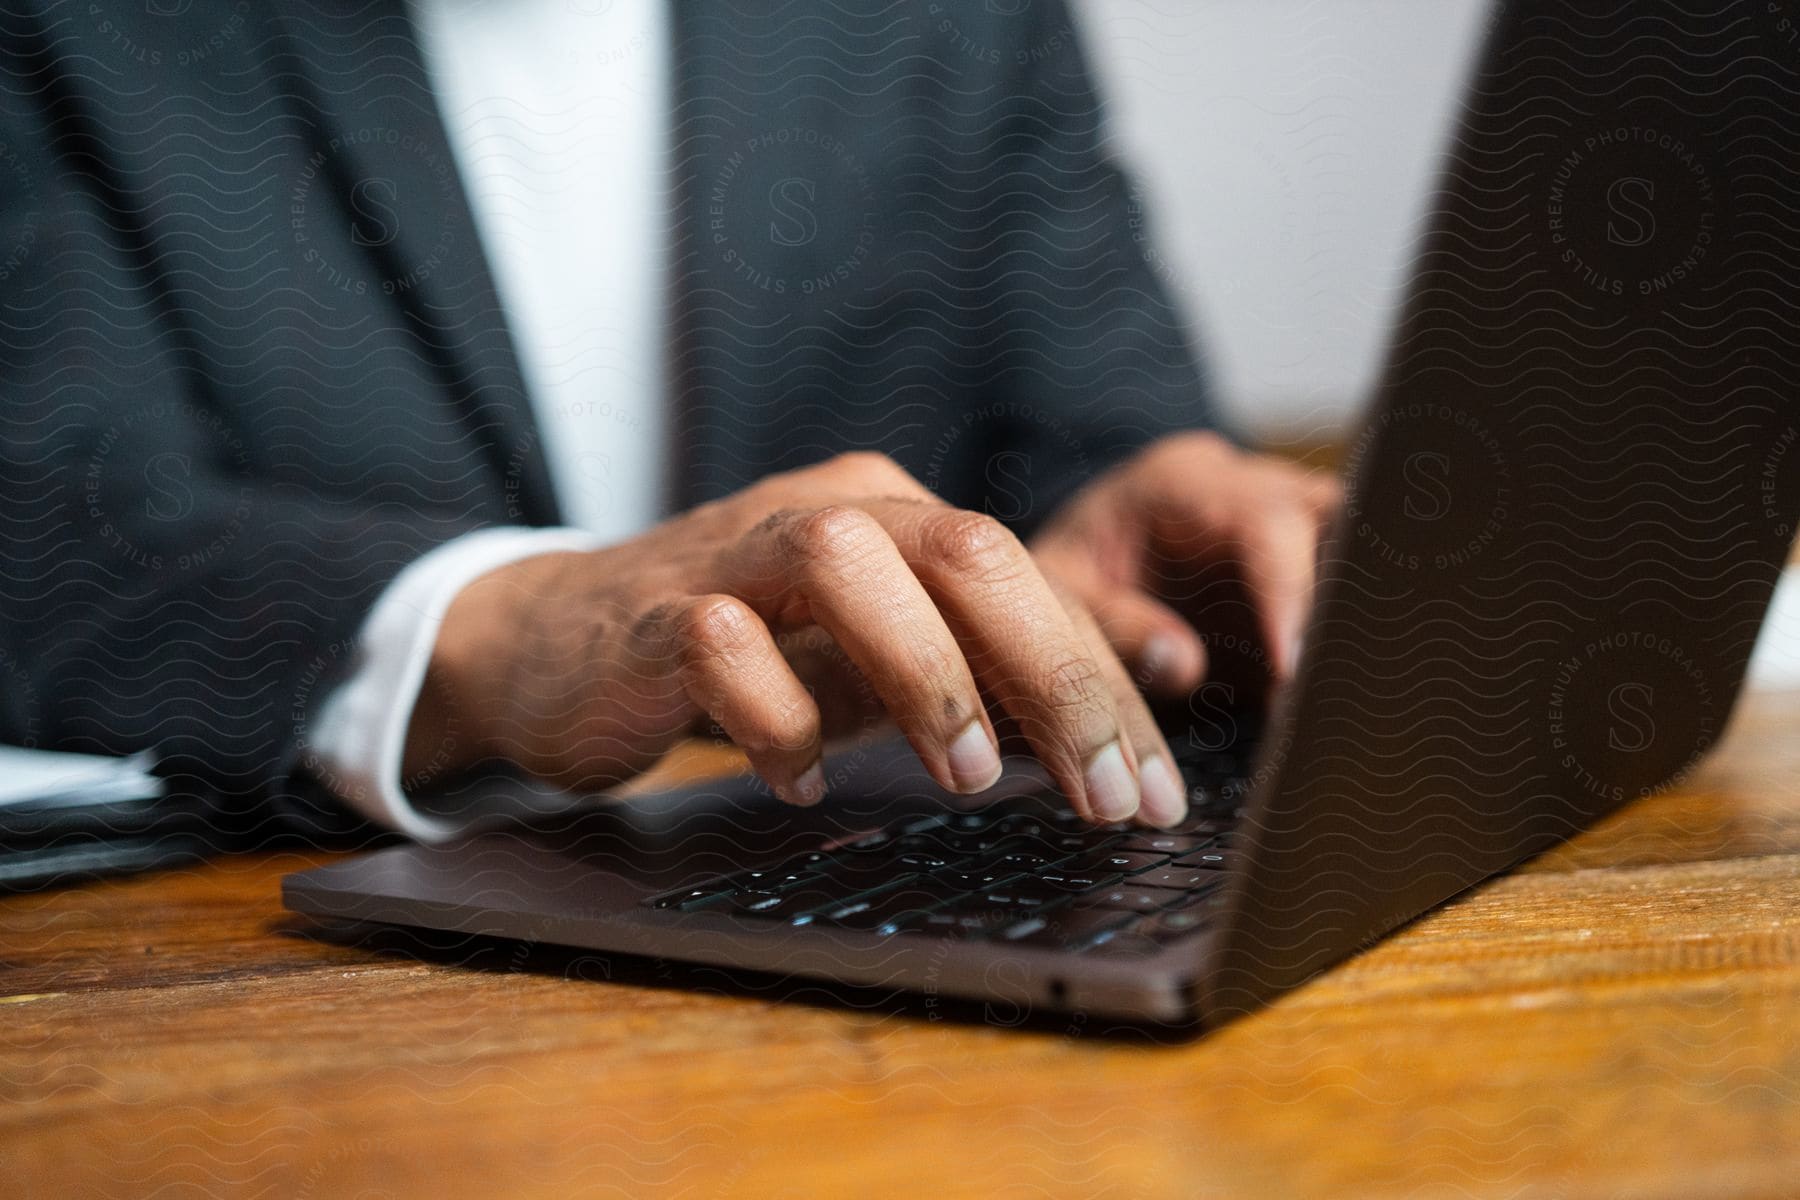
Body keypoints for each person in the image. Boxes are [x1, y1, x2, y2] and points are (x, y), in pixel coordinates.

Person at [0, 0, 1335, 843]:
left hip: (865, 903)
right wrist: (507, 626)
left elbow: (1089, 443)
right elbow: (55, 524)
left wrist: (1153, 521)